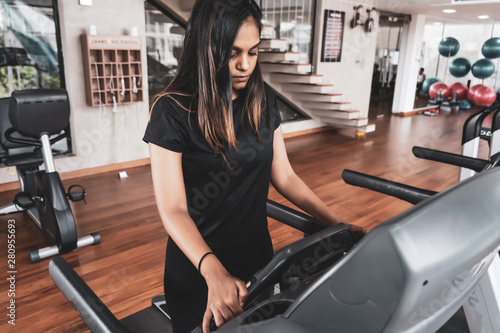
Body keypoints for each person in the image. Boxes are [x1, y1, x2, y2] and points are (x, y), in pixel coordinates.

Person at [143, 1, 368, 332]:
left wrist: (339, 225)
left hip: (259, 259)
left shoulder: (263, 100)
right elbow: (173, 209)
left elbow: (286, 176)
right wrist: (212, 270)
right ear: (206, 48)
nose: (244, 65)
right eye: (233, 53)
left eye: (253, 52)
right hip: (197, 265)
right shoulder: (171, 111)